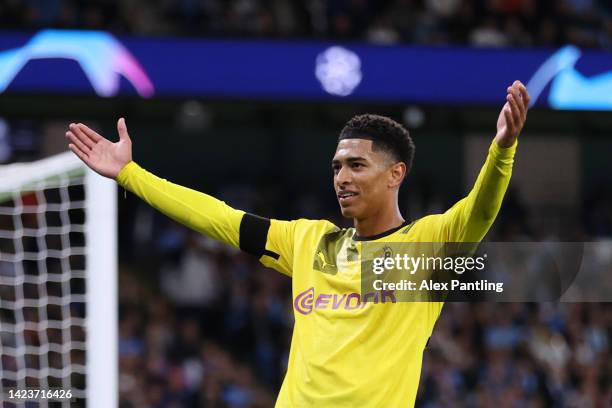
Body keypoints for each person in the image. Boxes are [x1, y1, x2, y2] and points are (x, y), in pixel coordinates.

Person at [66, 80, 530, 407]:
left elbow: (479, 210)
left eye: (356, 166)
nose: (342, 178)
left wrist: (502, 150)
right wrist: (131, 174)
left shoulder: (424, 245)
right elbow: (219, 218)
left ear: (396, 175)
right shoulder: (310, 240)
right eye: (336, 167)